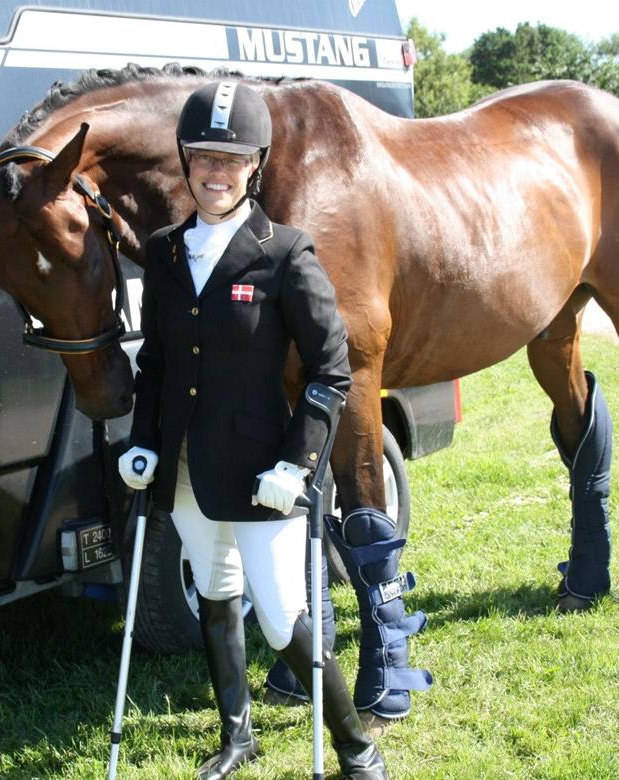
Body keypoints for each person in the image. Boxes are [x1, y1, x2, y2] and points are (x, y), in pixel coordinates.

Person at [117, 80, 389, 780]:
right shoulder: (165, 252)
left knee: (281, 620)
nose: (215, 171)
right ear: (185, 161)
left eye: (230, 159)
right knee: (215, 595)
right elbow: (156, 362)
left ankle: (358, 750)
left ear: (254, 166)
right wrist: (143, 440)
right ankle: (237, 736)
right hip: (184, 467)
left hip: (266, 471)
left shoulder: (286, 253)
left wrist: (297, 464)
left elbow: (333, 371)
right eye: (203, 156)